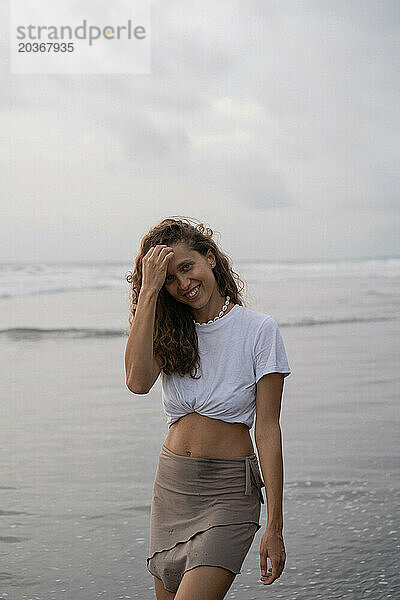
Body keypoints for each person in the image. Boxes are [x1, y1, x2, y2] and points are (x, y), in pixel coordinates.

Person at [124, 216, 292, 600]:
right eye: (168, 278)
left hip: (229, 493)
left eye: (187, 267)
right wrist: (147, 293)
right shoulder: (170, 331)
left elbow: (267, 429)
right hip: (172, 487)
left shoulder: (258, 330)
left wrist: (275, 525)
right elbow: (136, 382)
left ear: (210, 258)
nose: (182, 284)